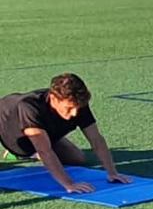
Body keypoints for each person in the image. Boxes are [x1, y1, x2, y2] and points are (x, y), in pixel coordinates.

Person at [0, 73, 130, 194]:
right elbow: (45, 151)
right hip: (8, 131)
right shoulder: (30, 107)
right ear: (53, 98)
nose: (74, 114)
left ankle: (31, 153)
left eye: (76, 108)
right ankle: (17, 152)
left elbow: (96, 140)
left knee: (77, 158)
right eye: (69, 108)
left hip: (41, 135)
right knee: (41, 150)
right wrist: (69, 184)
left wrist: (112, 172)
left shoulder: (78, 105)